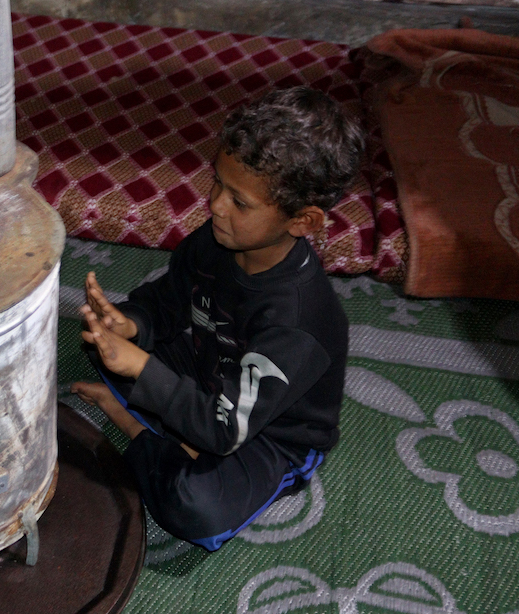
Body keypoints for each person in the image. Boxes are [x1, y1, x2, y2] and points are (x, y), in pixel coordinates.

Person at [71, 86, 365, 551]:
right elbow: (167, 299)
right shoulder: (217, 240)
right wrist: (129, 326)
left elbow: (225, 430)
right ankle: (168, 430)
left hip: (268, 433)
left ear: (303, 222)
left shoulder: (299, 321)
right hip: (210, 373)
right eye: (217, 183)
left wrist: (142, 369)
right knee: (98, 341)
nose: (215, 205)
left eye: (240, 201)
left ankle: (133, 428)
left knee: (195, 508)